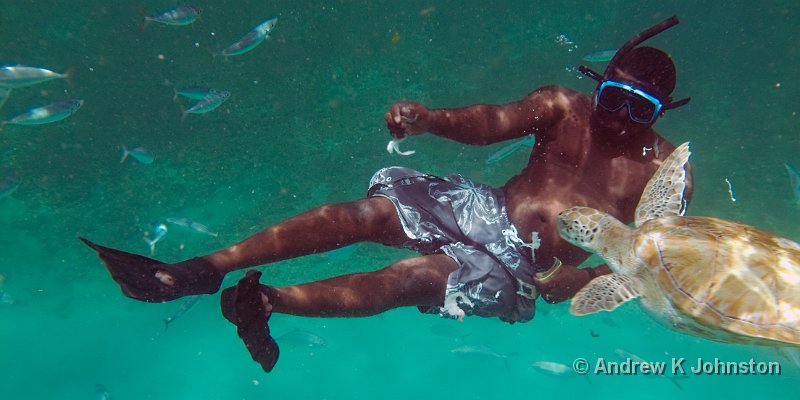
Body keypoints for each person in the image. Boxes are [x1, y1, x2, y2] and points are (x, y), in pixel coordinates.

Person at [82, 16, 692, 373]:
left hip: (525, 268)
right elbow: (492, 122)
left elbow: (650, 265)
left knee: (414, 278)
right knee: (365, 214)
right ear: (601, 82)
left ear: (665, 113)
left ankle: (265, 303)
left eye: (640, 110)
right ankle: (197, 268)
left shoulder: (664, 170)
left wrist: (576, 285)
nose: (619, 118)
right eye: (614, 97)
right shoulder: (564, 107)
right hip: (487, 206)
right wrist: (430, 119)